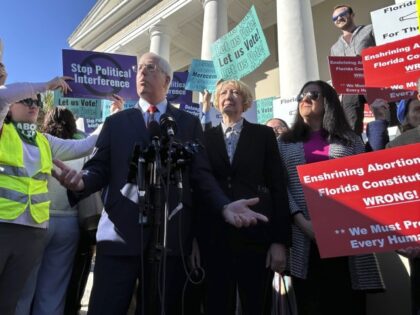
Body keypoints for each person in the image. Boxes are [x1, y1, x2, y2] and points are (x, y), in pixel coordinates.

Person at [52, 52, 268, 315]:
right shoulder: (115, 122)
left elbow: (201, 175)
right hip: (119, 237)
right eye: (139, 68)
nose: (142, 72)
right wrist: (81, 182)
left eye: (150, 68)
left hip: (170, 239)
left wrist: (223, 206)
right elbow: (99, 167)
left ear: (166, 80)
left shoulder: (187, 123)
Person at [278, 80, 385, 315]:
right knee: (311, 303)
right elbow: (280, 186)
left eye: (313, 94)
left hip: (345, 238)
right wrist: (300, 221)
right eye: (301, 96)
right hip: (304, 235)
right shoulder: (284, 143)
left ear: (329, 102)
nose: (304, 99)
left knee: (347, 302)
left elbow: (365, 180)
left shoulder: (350, 140)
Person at [0, 76, 100, 315]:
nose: (33, 104)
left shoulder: (43, 140)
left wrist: (115, 114)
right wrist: (43, 86)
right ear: (10, 107)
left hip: (34, 230)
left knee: (11, 302)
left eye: (36, 101)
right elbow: (2, 95)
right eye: (25, 100)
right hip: (3, 226)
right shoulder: (3, 131)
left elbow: (85, 145)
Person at [195, 79, 291, 315]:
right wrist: (194, 242)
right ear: (217, 102)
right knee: (216, 304)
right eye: (224, 92)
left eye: (236, 92)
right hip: (214, 238)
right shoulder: (205, 139)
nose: (229, 95)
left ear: (246, 102)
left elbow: (278, 186)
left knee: (256, 304)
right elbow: (198, 190)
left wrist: (280, 242)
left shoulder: (263, 135)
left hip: (256, 237)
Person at [330, 4, 376, 135]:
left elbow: (383, 50)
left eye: (342, 14)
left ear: (352, 15)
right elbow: (336, 72)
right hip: (349, 88)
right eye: (335, 18)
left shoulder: (369, 30)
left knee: (382, 114)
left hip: (372, 81)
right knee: (351, 124)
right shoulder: (335, 47)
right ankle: (356, 151)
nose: (338, 19)